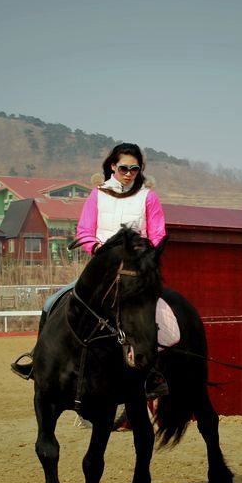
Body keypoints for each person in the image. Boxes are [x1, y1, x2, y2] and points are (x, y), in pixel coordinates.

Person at [11, 143, 169, 397]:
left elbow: (159, 234)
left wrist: (143, 254)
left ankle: (152, 375)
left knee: (162, 320)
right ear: (112, 167)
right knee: (52, 302)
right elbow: (84, 232)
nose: (129, 173)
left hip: (134, 272)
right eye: (124, 168)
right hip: (101, 269)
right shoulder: (97, 195)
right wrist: (98, 250)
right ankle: (36, 361)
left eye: (135, 169)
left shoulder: (148, 197)